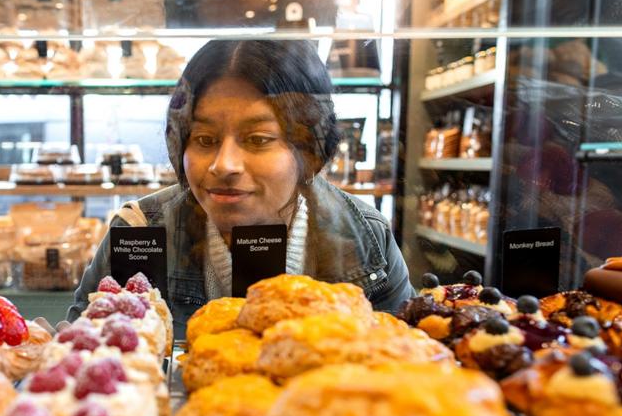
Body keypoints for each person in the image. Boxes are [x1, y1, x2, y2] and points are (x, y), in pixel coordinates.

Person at [67, 39, 414, 338]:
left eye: (258, 139)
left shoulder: (367, 237)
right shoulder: (141, 230)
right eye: (204, 139)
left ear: (309, 151)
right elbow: (81, 363)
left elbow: (405, 369)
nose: (224, 165)